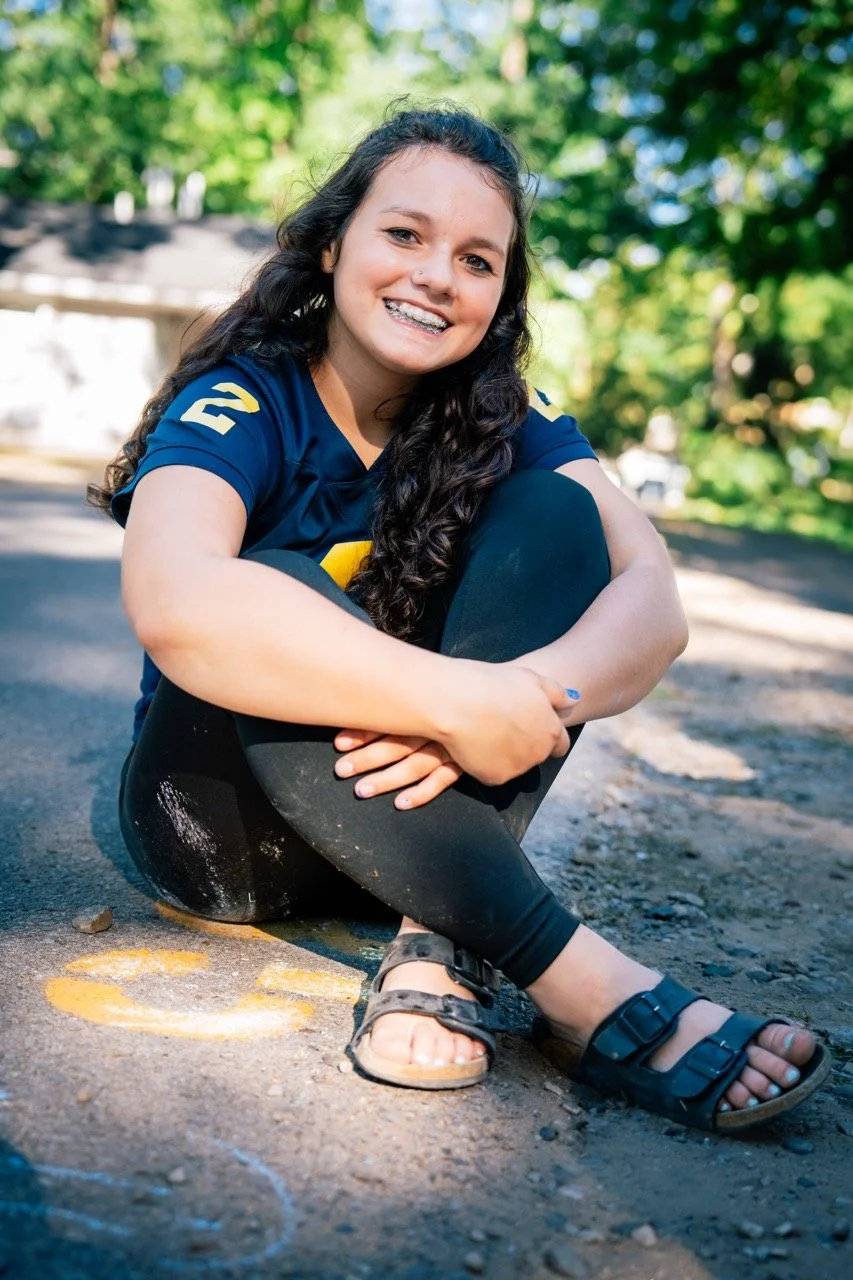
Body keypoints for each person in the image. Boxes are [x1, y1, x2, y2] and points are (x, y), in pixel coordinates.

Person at [90, 103, 829, 1130]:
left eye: (478, 258)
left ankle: (433, 945)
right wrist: (460, 697)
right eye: (404, 234)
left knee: (560, 518)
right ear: (335, 239)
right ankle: (582, 984)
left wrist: (533, 693)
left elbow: (651, 599)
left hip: (419, 843)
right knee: (279, 589)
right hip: (220, 826)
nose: (437, 275)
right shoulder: (243, 399)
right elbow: (176, 601)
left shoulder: (508, 420)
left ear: (500, 293)